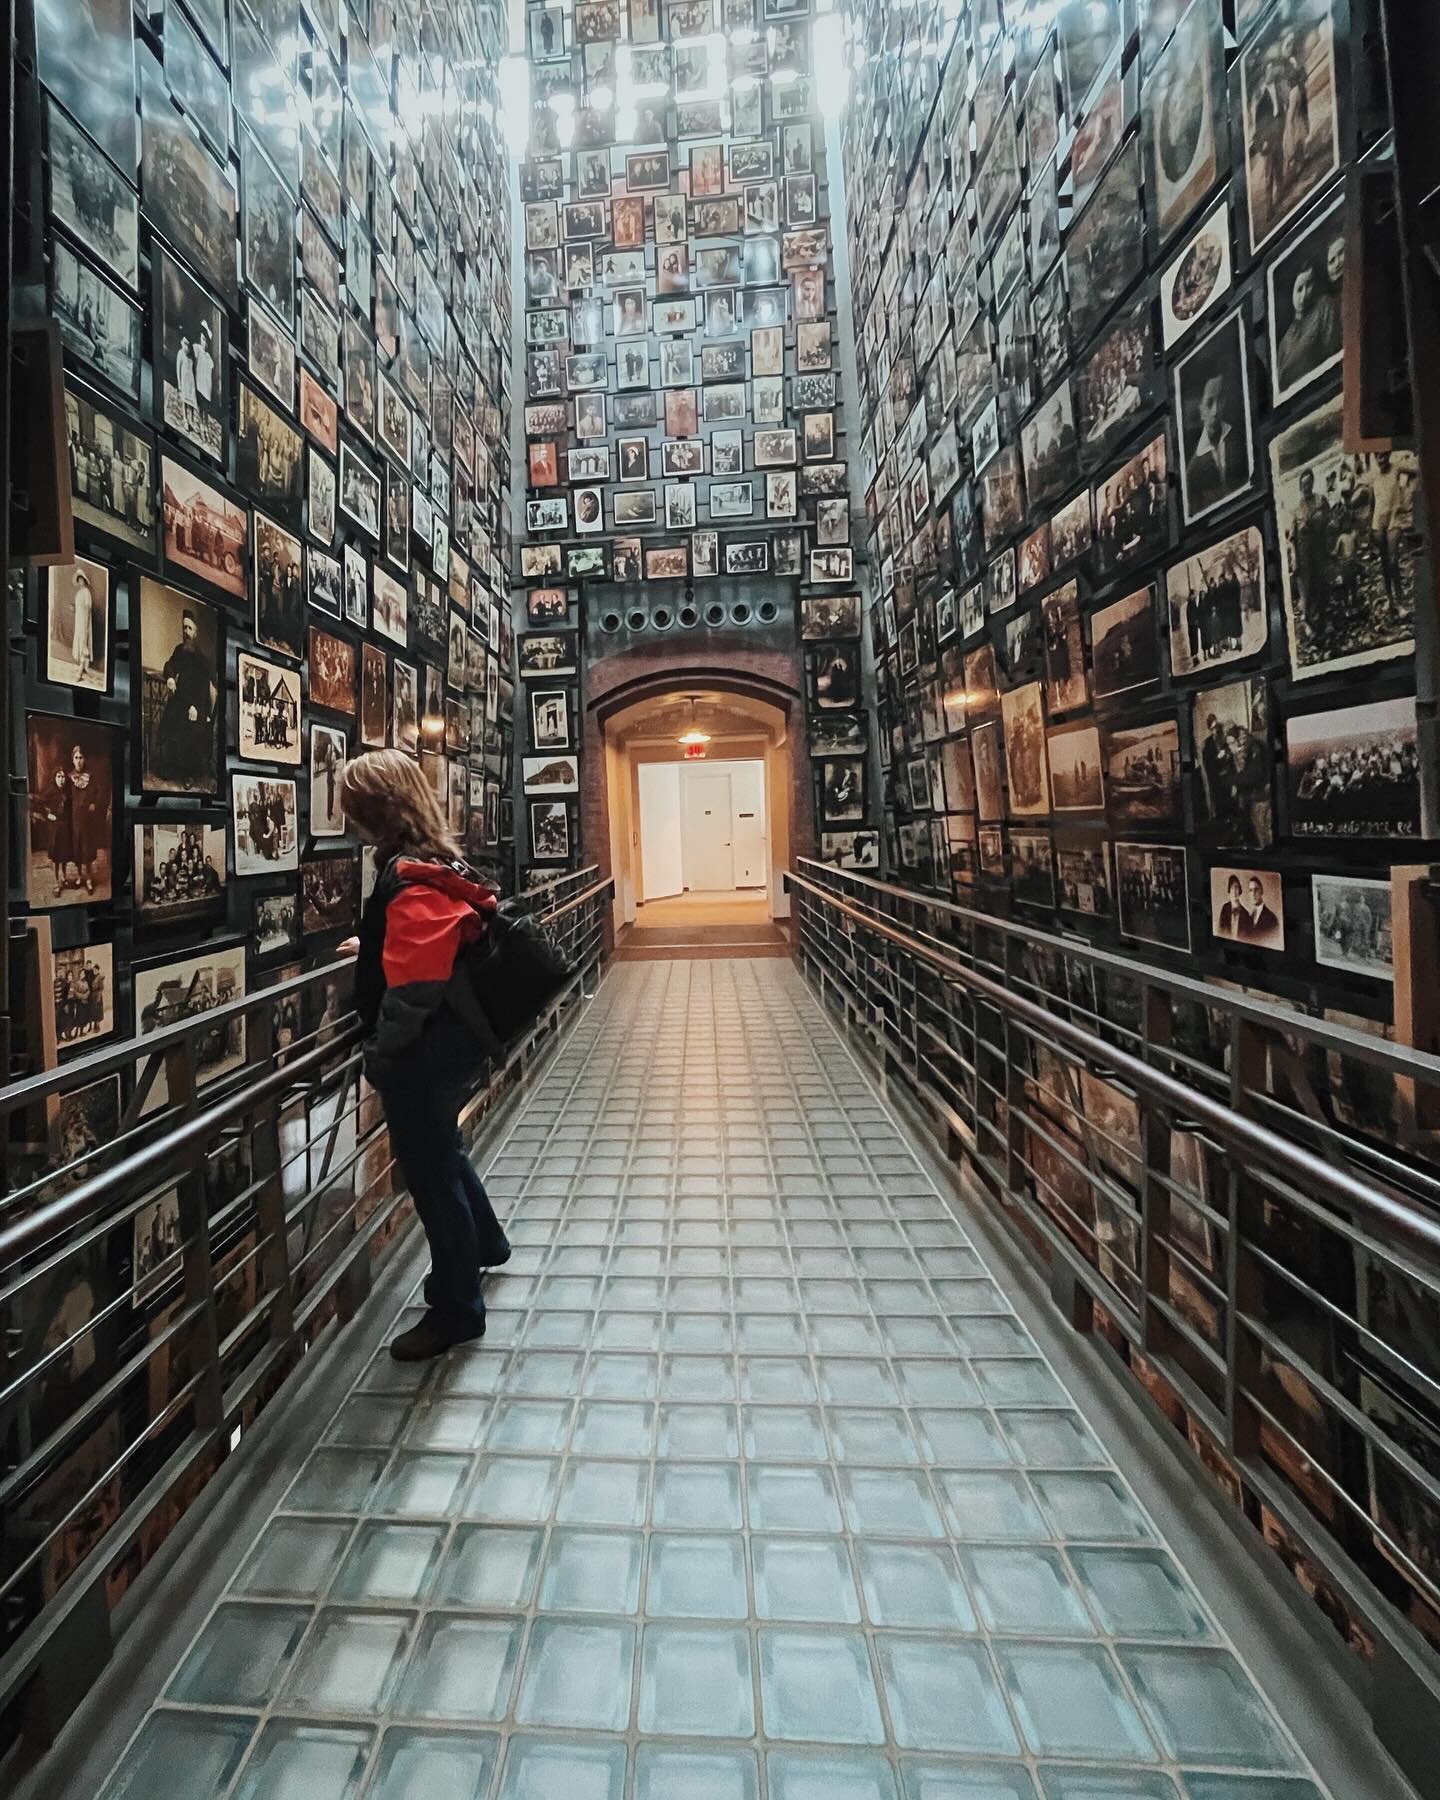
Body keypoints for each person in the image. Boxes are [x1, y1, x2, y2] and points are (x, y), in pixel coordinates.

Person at [338, 749, 511, 1360]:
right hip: (448, 1044)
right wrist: (374, 942)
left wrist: (383, 1054)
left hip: (423, 1051)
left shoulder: (406, 873)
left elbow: (414, 987)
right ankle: (485, 1243)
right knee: (445, 1153)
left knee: (431, 1175)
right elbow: (419, 944)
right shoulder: (432, 864)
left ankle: (458, 1310)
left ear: (374, 811)